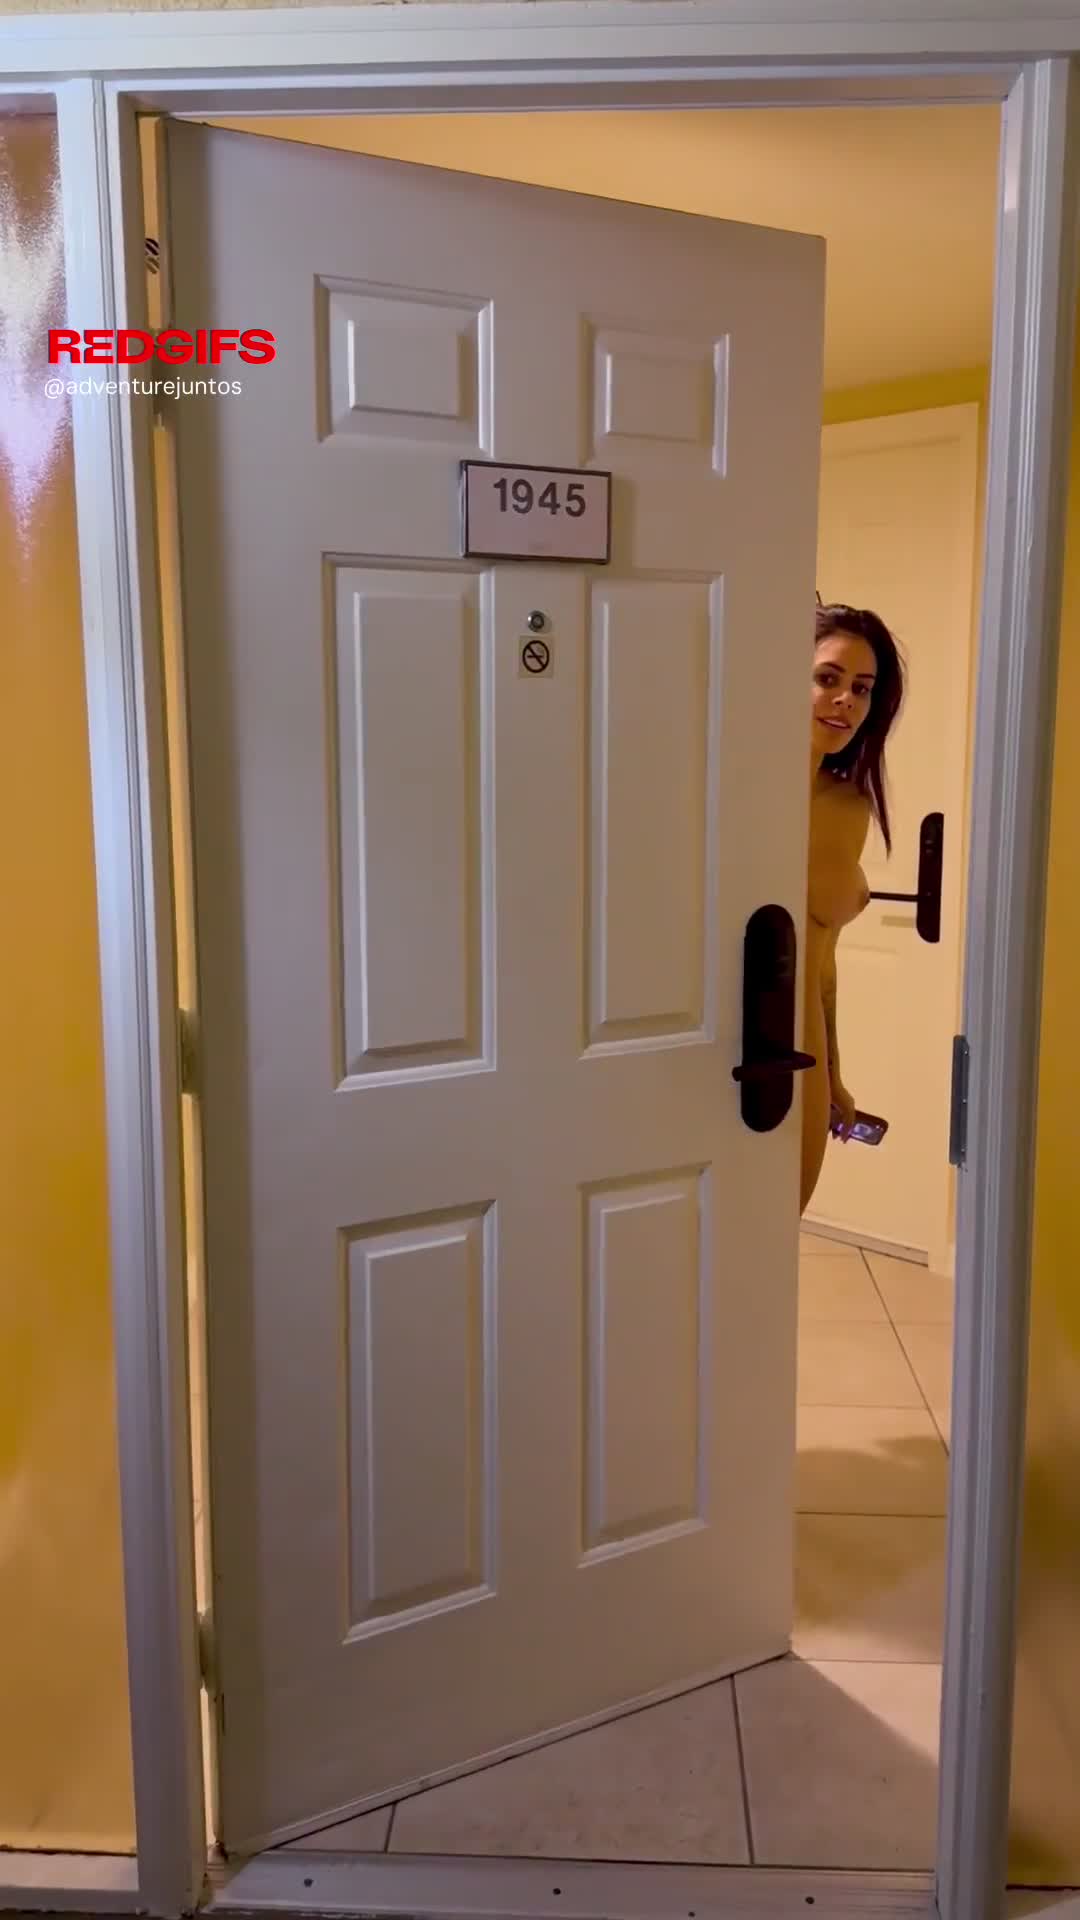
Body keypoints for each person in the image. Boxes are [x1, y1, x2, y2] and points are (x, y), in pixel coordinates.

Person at [801, 602, 904, 1215]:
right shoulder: (730, 792)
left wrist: (834, 1070)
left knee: (778, 1224)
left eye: (862, 689)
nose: (845, 700)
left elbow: (823, 962)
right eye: (827, 678)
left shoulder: (850, 807)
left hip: (802, 1046)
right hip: (722, 1044)